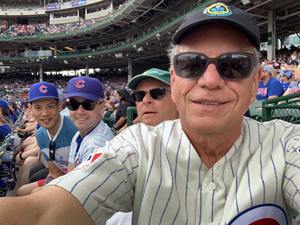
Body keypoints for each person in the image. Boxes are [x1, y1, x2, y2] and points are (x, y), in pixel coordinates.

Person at [2, 3, 300, 224]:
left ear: (255, 81)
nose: (210, 80)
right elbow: (43, 212)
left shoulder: (286, 144)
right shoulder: (138, 146)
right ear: (174, 80)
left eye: (234, 65)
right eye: (191, 65)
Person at [15, 81, 78, 196]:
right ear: (31, 108)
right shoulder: (41, 135)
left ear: (59, 105)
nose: (44, 113)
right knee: (21, 192)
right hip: (61, 177)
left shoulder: (75, 129)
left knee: (35, 193)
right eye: (38, 107)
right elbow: (54, 172)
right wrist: (48, 185)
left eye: (50, 106)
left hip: (77, 182)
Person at [64, 76, 115, 171]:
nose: (79, 111)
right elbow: (69, 175)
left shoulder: (95, 146)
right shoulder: (80, 134)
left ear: (101, 108)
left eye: (88, 104)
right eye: (73, 104)